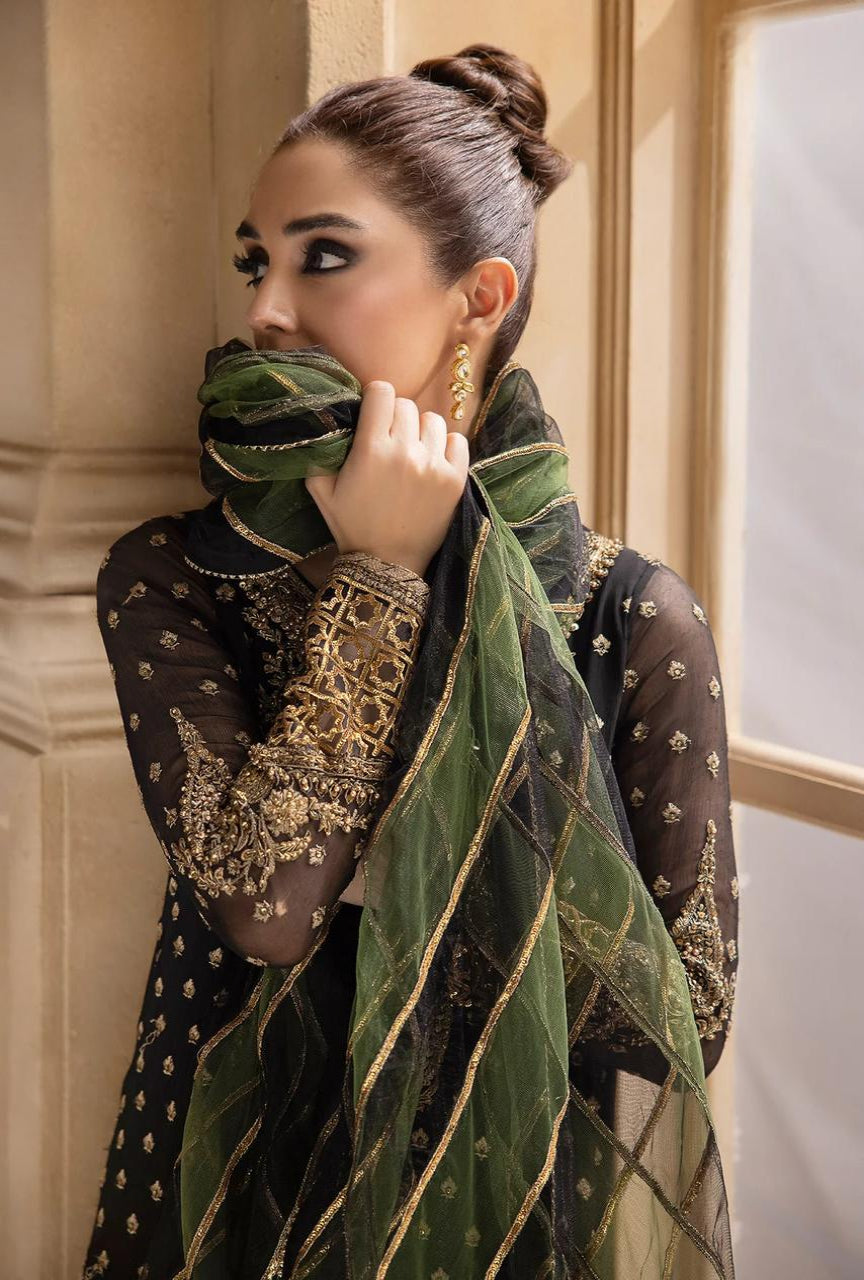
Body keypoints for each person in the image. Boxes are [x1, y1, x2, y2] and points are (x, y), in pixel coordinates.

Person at [81, 43, 738, 1280]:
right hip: (228, 1194)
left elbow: (681, 1021)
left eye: (324, 257)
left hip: (512, 1206)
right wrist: (381, 583)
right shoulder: (178, 574)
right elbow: (268, 910)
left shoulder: (629, 614)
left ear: (477, 298)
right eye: (257, 262)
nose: (266, 310)